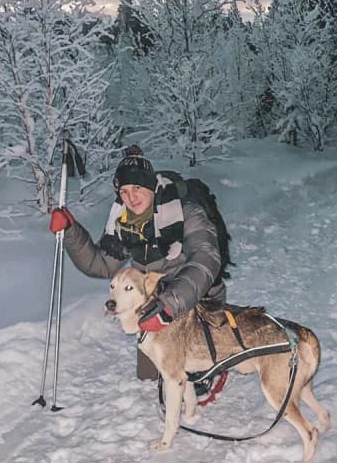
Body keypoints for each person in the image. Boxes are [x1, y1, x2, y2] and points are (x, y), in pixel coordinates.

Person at [48, 145, 226, 382]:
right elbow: (101, 265)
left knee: (194, 375)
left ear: (151, 186)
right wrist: (71, 232)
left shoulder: (186, 211)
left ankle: (214, 365)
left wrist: (170, 304)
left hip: (195, 300)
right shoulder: (123, 223)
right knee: (148, 376)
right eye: (124, 191)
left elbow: (206, 259)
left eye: (137, 188)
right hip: (154, 305)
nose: (131, 198)